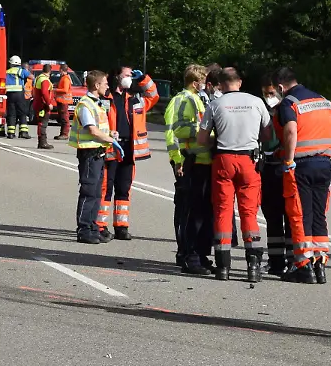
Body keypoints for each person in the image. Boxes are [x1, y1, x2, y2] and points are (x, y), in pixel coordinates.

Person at [197, 68, 271, 282]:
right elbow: (267, 135)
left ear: (220, 84)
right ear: (240, 81)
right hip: (249, 161)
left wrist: (218, 142)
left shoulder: (215, 105)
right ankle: (253, 268)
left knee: (222, 211)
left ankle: (223, 268)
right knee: (249, 213)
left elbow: (202, 140)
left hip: (223, 160)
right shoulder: (257, 102)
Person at [274, 66, 331, 285]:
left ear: (281, 87)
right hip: (325, 164)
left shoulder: (289, 103)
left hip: (302, 165)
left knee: (302, 215)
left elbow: (290, 130)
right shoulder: (321, 100)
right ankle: (320, 264)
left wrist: (288, 160)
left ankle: (303, 266)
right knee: (320, 215)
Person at [98, 66, 161, 241]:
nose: (129, 78)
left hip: (129, 149)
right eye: (126, 75)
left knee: (124, 189)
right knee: (105, 188)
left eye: (131, 76)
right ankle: (100, 226)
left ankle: (121, 227)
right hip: (110, 148)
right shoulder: (105, 97)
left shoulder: (135, 99)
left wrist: (144, 80)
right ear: (117, 77)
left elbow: (153, 95)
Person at [165, 64, 213, 274]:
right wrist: (177, 160)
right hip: (188, 161)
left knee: (199, 211)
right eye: (203, 81)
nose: (206, 85)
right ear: (196, 82)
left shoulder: (199, 99)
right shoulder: (183, 100)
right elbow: (173, 132)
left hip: (202, 161)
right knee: (188, 211)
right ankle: (186, 254)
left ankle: (197, 254)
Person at [70, 70, 124, 244]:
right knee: (88, 192)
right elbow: (92, 130)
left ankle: (93, 226)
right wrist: (110, 140)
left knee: (96, 193)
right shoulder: (85, 104)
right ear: (96, 85)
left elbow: (99, 128)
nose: (107, 85)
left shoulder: (97, 103)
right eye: (105, 83)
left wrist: (111, 134)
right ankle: (84, 229)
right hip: (89, 154)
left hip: (98, 153)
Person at [259, 75, 292, 276]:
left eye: (271, 93)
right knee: (272, 216)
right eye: (265, 94)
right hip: (269, 167)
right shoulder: (263, 110)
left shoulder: (286, 111)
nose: (268, 97)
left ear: (279, 90)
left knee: (288, 216)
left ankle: (290, 259)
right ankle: (276, 261)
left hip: (283, 166)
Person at [4, 56, 32, 139]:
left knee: (11, 114)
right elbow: (31, 77)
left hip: (9, 95)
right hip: (19, 94)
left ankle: (11, 133)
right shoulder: (21, 70)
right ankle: (23, 132)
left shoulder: (7, 71)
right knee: (22, 113)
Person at [33, 67, 57, 150]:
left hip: (39, 104)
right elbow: (44, 92)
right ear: (50, 71)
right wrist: (49, 103)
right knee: (43, 123)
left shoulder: (39, 78)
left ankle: (41, 142)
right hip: (43, 105)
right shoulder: (45, 80)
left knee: (41, 123)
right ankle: (43, 142)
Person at [53, 65, 74, 141]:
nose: (59, 72)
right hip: (61, 101)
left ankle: (65, 134)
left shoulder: (65, 78)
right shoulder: (63, 78)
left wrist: (55, 89)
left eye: (59, 70)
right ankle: (62, 133)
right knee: (62, 118)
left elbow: (65, 90)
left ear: (61, 70)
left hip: (64, 101)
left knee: (64, 118)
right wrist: (57, 85)